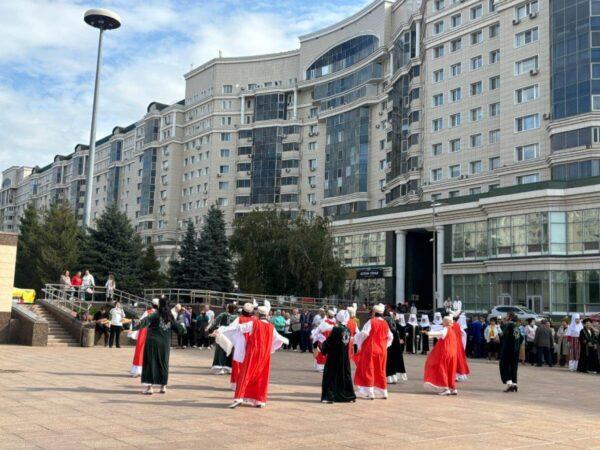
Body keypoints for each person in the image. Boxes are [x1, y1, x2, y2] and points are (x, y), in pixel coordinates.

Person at [213, 301, 288, 408]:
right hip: (264, 356)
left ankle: (239, 397)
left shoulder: (254, 323)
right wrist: (286, 341)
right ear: (266, 315)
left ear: (258, 314)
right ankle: (259, 400)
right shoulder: (271, 327)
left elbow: (238, 328)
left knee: (245, 374)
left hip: (252, 353)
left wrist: (221, 329)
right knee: (261, 376)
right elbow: (278, 339)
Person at [133, 297, 185, 395]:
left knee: (151, 363)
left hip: (152, 342)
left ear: (159, 304)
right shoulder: (170, 316)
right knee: (163, 363)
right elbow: (178, 328)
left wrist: (135, 324)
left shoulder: (155, 314)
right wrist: (183, 327)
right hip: (164, 344)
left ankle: (150, 388)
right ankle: (163, 386)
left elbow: (144, 321)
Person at [353, 304, 393, 400]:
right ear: (382, 313)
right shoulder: (385, 323)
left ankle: (370, 392)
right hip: (382, 350)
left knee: (368, 369)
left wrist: (357, 342)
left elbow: (364, 334)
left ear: (374, 312)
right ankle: (384, 392)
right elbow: (390, 337)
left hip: (370, 349)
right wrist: (385, 346)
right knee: (381, 370)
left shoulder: (371, 321)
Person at [321, 309, 356, 404]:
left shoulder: (336, 329)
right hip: (344, 357)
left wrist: (322, 347)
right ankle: (348, 395)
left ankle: (329, 397)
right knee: (344, 376)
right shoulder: (347, 329)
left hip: (334, 356)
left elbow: (330, 342)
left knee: (330, 376)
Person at [423, 316, 459, 395]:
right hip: (452, 353)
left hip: (445, 353)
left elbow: (440, 333)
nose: (442, 322)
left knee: (442, 368)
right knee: (450, 370)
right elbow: (441, 336)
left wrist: (428, 333)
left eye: (443, 321)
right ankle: (453, 388)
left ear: (446, 322)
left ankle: (445, 388)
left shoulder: (446, 329)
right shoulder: (452, 330)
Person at [230, 303, 257, 391]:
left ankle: (236, 383)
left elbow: (231, 329)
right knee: (249, 364)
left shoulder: (239, 319)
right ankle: (247, 383)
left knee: (237, 363)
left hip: (239, 344)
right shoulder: (255, 320)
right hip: (251, 344)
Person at [129, 299, 158, 377]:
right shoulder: (159, 314)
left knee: (141, 351)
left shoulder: (148, 312)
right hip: (154, 335)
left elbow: (140, 322)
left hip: (145, 334)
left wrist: (134, 331)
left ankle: (138, 371)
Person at [210, 304, 238, 374]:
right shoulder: (237, 317)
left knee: (221, 351)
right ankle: (229, 368)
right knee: (229, 351)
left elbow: (215, 322)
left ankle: (221, 368)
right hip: (231, 336)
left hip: (222, 334)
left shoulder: (223, 314)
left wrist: (210, 327)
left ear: (228, 309)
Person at [499, 314, 523, 392]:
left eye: (505, 317)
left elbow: (503, 335)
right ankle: (514, 384)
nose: (504, 319)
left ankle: (509, 384)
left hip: (508, 349)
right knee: (514, 367)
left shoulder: (509, 325)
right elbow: (521, 338)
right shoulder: (517, 327)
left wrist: (500, 333)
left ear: (509, 318)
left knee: (505, 365)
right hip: (516, 350)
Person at [384, 307, 406, 384]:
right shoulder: (392, 320)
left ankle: (388, 378)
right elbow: (398, 329)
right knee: (393, 359)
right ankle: (394, 378)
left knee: (388, 360)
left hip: (388, 341)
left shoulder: (384, 320)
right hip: (395, 341)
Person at [311, 308, 336, 372]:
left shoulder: (326, 322)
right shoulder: (334, 323)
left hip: (324, 340)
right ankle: (321, 367)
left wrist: (313, 335)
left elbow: (318, 329)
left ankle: (321, 367)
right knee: (324, 354)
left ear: (327, 315)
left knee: (322, 353)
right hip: (327, 340)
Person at [454, 314, 470, 382]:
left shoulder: (457, 326)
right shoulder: (458, 326)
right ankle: (458, 375)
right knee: (458, 361)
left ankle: (458, 375)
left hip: (458, 346)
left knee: (457, 361)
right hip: (459, 345)